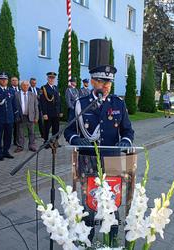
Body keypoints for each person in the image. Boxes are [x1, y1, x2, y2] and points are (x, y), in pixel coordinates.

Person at [64, 39, 134, 245]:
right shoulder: (81, 104)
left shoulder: (118, 104)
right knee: (89, 201)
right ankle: (87, 237)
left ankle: (112, 236)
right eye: (102, 82)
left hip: (113, 160)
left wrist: (126, 140)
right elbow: (69, 130)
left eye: (109, 82)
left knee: (112, 199)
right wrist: (78, 140)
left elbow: (128, 129)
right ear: (93, 82)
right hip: (87, 160)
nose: (106, 86)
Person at [0, 72, 19, 161]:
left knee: (8, 136)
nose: (3, 81)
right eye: (1, 79)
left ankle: (6, 151)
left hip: (9, 118)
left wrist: (16, 115)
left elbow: (14, 105)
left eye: (5, 79)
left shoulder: (11, 91)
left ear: (7, 81)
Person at [39, 72, 62, 148]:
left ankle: (55, 141)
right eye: (50, 78)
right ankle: (46, 142)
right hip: (48, 113)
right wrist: (44, 113)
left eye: (53, 78)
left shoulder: (56, 87)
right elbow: (43, 102)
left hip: (56, 112)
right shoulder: (44, 88)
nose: (51, 79)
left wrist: (60, 111)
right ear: (47, 78)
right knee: (46, 128)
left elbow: (59, 101)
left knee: (56, 128)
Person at [14, 81, 38, 153]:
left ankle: (32, 145)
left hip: (30, 116)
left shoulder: (33, 95)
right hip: (20, 116)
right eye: (24, 85)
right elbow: (14, 106)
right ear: (21, 86)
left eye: (27, 85)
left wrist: (36, 117)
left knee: (32, 132)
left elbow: (36, 106)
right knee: (20, 132)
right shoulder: (16, 94)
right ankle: (20, 146)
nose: (26, 87)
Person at [11, 76, 20, 146]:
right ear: (11, 82)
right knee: (12, 127)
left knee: (18, 127)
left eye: (16, 80)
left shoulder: (21, 89)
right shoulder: (9, 90)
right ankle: (14, 140)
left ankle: (17, 140)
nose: (15, 82)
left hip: (20, 111)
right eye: (13, 80)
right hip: (12, 112)